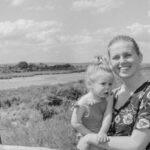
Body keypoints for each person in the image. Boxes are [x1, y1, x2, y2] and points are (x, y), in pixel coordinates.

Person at [77, 35, 150, 150]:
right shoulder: (111, 94)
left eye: (127, 55)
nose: (122, 61)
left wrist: (89, 138)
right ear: (110, 63)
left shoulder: (147, 93)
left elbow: (137, 144)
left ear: (140, 57)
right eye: (116, 57)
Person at [71, 57, 114, 150]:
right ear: (90, 84)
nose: (108, 87)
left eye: (110, 84)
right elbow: (75, 123)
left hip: (102, 138)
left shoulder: (108, 98)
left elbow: (108, 115)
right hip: (87, 141)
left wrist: (102, 132)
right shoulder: (83, 102)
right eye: (103, 84)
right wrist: (91, 136)